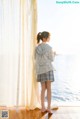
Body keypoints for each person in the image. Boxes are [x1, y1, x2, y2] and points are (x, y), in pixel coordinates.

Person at [35, 31, 56, 114]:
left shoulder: (37, 48)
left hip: (40, 70)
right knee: (49, 89)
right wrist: (54, 54)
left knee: (43, 89)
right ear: (45, 38)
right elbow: (52, 59)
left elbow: (37, 60)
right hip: (48, 69)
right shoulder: (49, 47)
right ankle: (49, 108)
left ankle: (43, 107)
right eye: (49, 37)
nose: (49, 38)